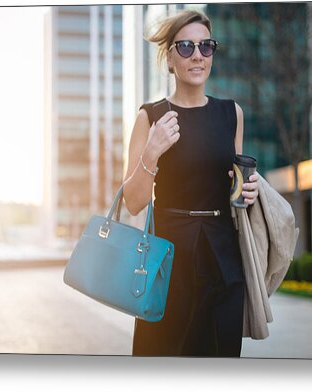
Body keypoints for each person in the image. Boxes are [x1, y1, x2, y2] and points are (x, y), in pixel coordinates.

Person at [123, 9, 259, 357]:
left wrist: (250, 190)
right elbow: (133, 201)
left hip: (224, 260)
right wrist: (151, 152)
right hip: (168, 261)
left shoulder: (232, 114)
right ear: (169, 58)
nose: (197, 55)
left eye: (206, 46)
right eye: (185, 47)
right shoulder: (149, 116)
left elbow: (237, 187)